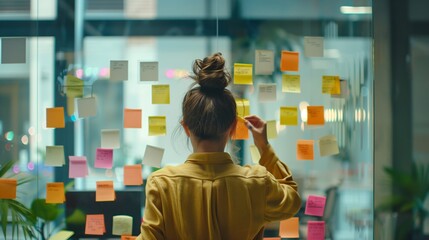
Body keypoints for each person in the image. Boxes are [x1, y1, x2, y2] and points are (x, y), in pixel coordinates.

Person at [137, 53, 301, 240]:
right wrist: (264, 146)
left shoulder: (161, 184)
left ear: (186, 128)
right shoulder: (257, 182)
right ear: (233, 128)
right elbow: (292, 201)